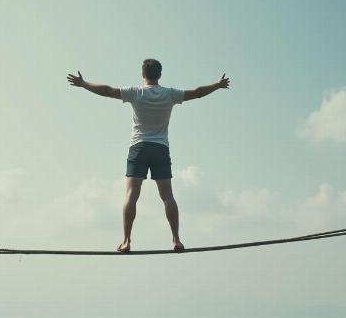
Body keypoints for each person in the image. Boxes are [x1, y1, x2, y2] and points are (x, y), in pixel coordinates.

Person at [67, 59, 230, 252]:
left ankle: (126, 240)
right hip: (160, 149)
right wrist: (218, 85)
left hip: (139, 147)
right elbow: (198, 93)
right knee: (167, 196)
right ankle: (176, 239)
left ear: (142, 74)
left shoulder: (136, 92)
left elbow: (107, 91)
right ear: (160, 74)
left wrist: (84, 84)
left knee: (131, 195)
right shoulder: (170, 94)